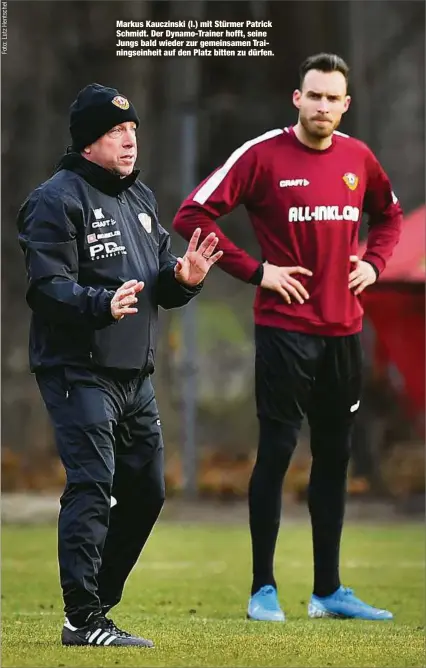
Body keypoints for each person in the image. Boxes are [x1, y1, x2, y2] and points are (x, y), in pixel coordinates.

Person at [173, 53, 402, 622]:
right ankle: (262, 589)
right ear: (296, 98)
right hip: (283, 332)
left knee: (334, 456)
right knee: (276, 451)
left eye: (333, 98)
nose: (322, 106)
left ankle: (328, 592)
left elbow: (390, 217)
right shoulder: (262, 156)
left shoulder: (359, 159)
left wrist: (373, 263)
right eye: (314, 95)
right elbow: (192, 215)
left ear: (345, 105)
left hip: (344, 331)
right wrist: (258, 271)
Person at [17, 83, 222, 647]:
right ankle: (82, 618)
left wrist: (182, 282)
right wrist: (99, 304)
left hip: (136, 375)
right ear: (88, 142)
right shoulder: (55, 200)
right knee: (91, 485)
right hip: (77, 369)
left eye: (133, 131)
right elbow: (47, 288)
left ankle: (96, 606)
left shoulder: (141, 199)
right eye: (116, 132)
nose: (130, 141)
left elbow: (157, 279)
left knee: (148, 491)